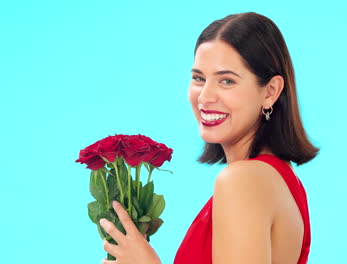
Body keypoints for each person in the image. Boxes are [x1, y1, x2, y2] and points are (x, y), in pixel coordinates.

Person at [98, 12, 320, 264]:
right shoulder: (279, 179)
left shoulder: (242, 181)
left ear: (270, 92)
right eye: (199, 78)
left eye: (226, 80)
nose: (205, 96)